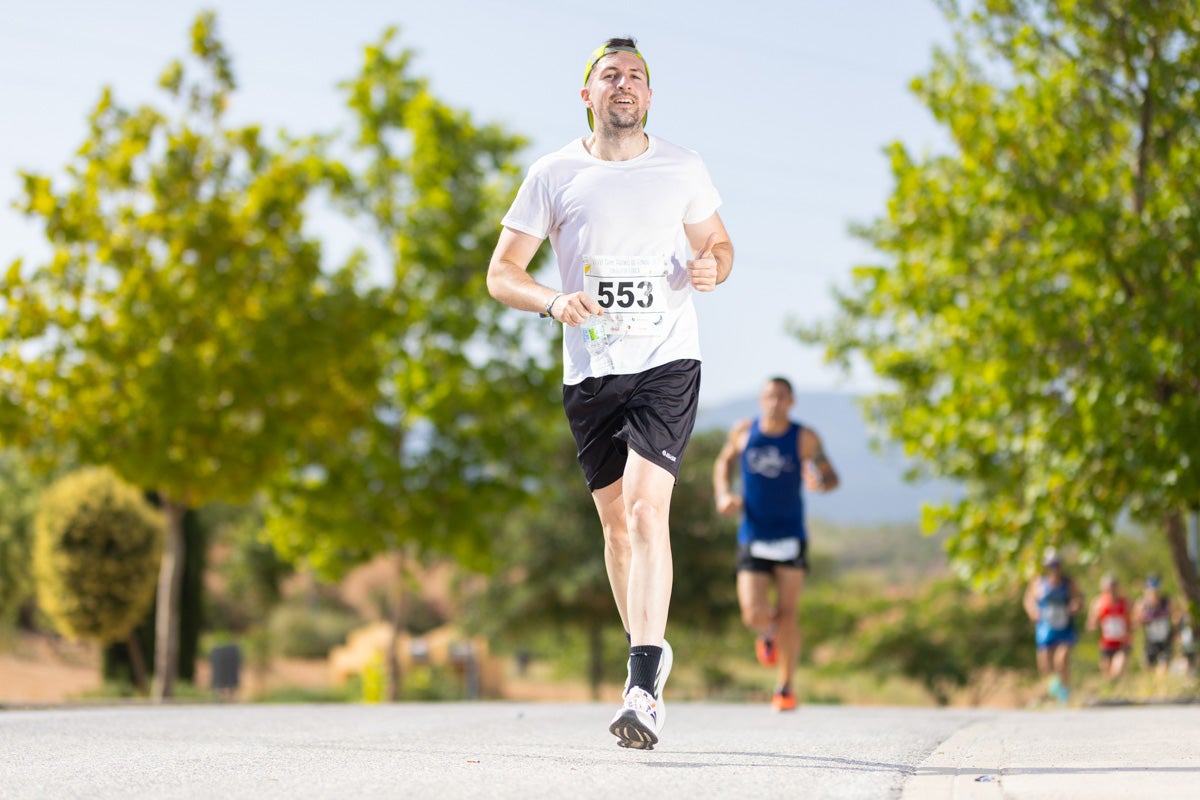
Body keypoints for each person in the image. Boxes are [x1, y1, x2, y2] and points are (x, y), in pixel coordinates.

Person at [486, 36, 733, 750]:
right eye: (610, 74)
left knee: (648, 509)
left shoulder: (683, 166)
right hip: (592, 370)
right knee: (617, 527)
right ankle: (647, 646)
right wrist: (552, 301)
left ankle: (642, 687)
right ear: (587, 94)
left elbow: (719, 246)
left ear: (648, 96)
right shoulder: (553, 173)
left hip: (666, 360)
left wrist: (714, 267)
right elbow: (502, 273)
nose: (624, 83)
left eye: (636, 76)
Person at [712, 376, 839, 711]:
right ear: (761, 399)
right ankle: (767, 634)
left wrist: (819, 482)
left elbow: (831, 478)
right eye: (769, 395)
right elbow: (724, 462)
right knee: (752, 613)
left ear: (791, 402)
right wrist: (724, 494)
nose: (775, 402)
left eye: (782, 397)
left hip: (790, 536)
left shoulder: (805, 438)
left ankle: (785, 688)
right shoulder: (743, 432)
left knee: (789, 614)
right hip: (753, 534)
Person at [1022, 549, 1083, 705]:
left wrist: (1075, 605)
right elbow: (1029, 599)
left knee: (1061, 660)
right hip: (1046, 627)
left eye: (1056, 564)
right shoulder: (1039, 582)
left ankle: (1065, 693)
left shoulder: (1069, 583)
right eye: (1051, 565)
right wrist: (1033, 612)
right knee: (1045, 664)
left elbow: (1078, 598)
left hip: (1064, 626)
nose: (1054, 568)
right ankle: (1055, 686)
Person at [1085, 574, 1131, 684]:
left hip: (1122, 643)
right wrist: (1092, 625)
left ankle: (1119, 686)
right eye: (1108, 587)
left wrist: (1131, 629)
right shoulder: (1099, 603)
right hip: (1106, 644)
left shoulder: (1125, 602)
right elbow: (1092, 621)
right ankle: (1115, 690)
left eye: (1113, 586)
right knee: (1108, 675)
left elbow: (1133, 620)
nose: (1111, 590)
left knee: (1117, 669)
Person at [1132, 575, 1176, 679]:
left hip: (1165, 640)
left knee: (1163, 669)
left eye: (1156, 591)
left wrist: (1175, 631)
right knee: (1149, 671)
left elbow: (1176, 616)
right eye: (1151, 592)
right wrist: (1143, 618)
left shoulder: (1167, 601)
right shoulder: (1142, 604)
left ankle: (1162, 685)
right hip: (1150, 641)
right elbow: (1134, 623)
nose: (1154, 594)